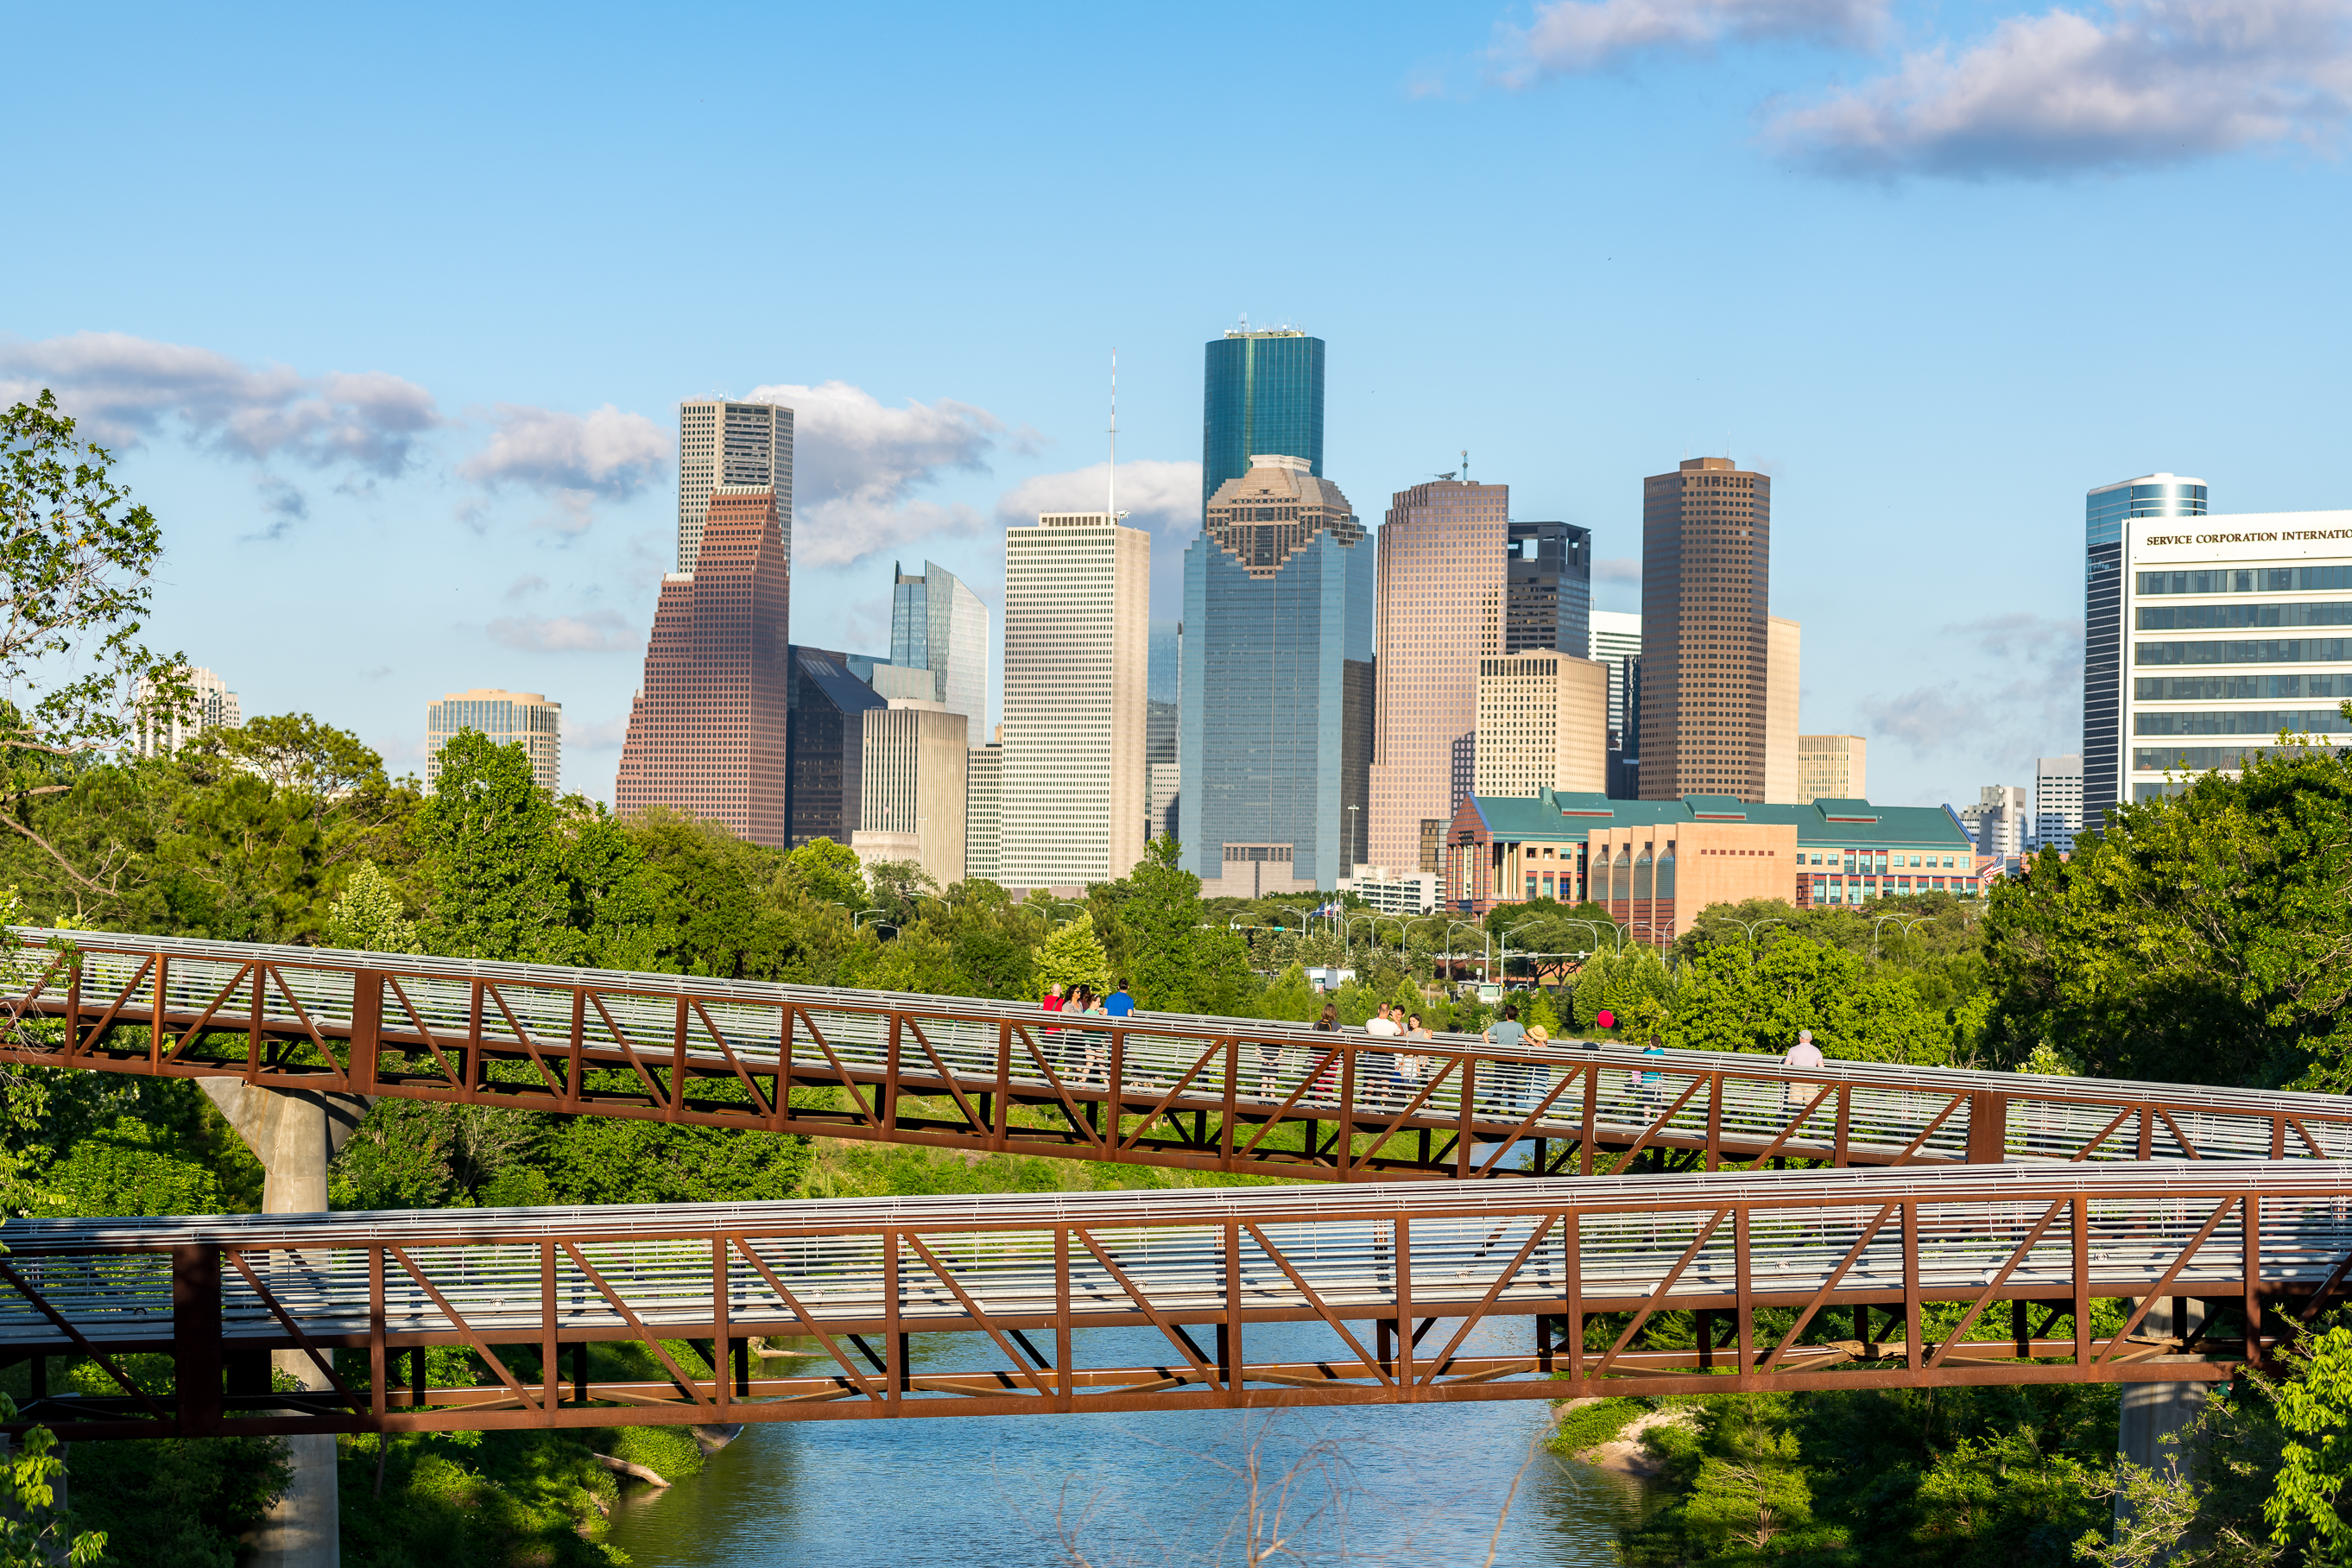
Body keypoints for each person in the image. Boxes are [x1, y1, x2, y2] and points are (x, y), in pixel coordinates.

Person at [1481, 1006, 1526, 1120]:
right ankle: (1512, 1114)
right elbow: (1525, 1037)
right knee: (1512, 1087)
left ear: (1506, 1015)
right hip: (1512, 1060)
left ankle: (1495, 1112)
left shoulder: (1498, 1025)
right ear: (1516, 1016)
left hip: (1500, 1059)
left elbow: (1484, 1034)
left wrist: (1489, 1048)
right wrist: (1535, 1045)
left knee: (1498, 1086)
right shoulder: (1518, 1026)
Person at [1782, 1027, 1826, 1122]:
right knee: (1811, 1108)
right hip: (1811, 1082)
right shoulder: (1816, 1051)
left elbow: (1786, 1066)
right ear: (1811, 1039)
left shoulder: (1793, 1050)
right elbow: (1822, 1068)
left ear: (1800, 1038)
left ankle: (1796, 1134)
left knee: (1795, 1109)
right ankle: (1816, 1135)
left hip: (1796, 1081)